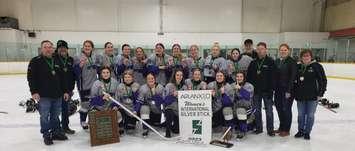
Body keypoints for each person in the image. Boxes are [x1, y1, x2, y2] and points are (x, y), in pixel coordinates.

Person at [27, 40, 69, 145]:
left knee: (55, 116)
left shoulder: (56, 60)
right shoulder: (35, 61)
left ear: (53, 48)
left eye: (50, 47)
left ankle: (55, 132)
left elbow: (62, 78)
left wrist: (65, 91)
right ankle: (46, 134)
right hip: (44, 95)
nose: (48, 49)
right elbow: (31, 78)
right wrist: (34, 91)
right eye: (45, 47)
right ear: (41, 49)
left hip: (57, 95)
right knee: (44, 116)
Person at [294, 49, 327, 140]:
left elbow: (323, 81)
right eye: (304, 56)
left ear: (311, 56)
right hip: (300, 96)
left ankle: (307, 132)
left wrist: (321, 93)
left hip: (313, 97)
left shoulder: (317, 66)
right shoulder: (298, 66)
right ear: (301, 57)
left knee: (310, 115)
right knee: (301, 115)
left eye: (307, 56)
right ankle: (300, 130)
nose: (306, 57)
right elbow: (294, 81)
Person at [246, 42, 276, 136]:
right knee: (257, 111)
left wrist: (271, 90)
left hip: (267, 92)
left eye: (262, 49)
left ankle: (270, 130)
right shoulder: (253, 62)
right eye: (258, 49)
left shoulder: (271, 62)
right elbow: (249, 77)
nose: (260, 51)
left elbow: (274, 77)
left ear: (266, 50)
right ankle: (259, 128)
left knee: (269, 112)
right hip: (256, 92)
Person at [73, 40, 100, 130]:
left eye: (89, 46)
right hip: (83, 85)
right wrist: (79, 66)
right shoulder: (77, 57)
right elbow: (74, 72)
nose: (87, 47)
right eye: (85, 46)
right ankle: (83, 121)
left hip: (94, 85)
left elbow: (98, 68)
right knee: (85, 105)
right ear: (83, 47)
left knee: (94, 103)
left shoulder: (95, 56)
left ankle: (91, 121)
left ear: (92, 48)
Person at [274, 44, 297, 137]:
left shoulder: (292, 62)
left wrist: (289, 90)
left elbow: (293, 77)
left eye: (285, 50)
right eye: (281, 50)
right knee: (279, 109)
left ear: (289, 51)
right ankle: (281, 127)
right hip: (278, 90)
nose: (283, 52)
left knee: (286, 109)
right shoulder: (277, 61)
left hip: (287, 90)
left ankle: (286, 129)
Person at [55, 40, 76, 134]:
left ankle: (65, 127)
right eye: (60, 48)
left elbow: (73, 74)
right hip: (57, 90)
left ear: (67, 49)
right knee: (55, 111)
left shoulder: (70, 60)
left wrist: (71, 88)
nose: (62, 50)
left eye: (64, 48)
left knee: (65, 110)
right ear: (57, 49)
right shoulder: (53, 58)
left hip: (68, 90)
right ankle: (55, 129)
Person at [136, 73, 165, 137]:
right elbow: (139, 101)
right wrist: (135, 110)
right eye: (148, 78)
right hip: (149, 109)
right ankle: (145, 128)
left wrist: (154, 94)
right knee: (144, 108)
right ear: (146, 80)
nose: (150, 80)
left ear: (155, 79)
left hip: (158, 110)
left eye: (152, 78)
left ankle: (162, 123)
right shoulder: (143, 88)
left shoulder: (160, 87)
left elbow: (162, 102)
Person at [116, 70, 140, 134]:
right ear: (123, 78)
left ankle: (129, 122)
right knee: (118, 112)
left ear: (132, 78)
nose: (127, 79)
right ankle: (120, 125)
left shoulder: (136, 85)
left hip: (132, 109)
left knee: (130, 130)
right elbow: (117, 99)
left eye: (129, 77)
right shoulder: (120, 86)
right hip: (123, 107)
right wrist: (117, 106)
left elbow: (138, 100)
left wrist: (136, 110)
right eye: (125, 77)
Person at [231, 71, 254, 139]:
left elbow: (248, 96)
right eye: (237, 76)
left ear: (244, 78)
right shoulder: (232, 85)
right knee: (228, 110)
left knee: (240, 110)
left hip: (246, 108)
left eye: (241, 76)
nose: (239, 78)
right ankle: (231, 128)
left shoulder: (249, 86)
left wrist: (240, 89)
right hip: (235, 107)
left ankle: (242, 130)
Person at [164, 69, 185, 138]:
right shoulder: (169, 85)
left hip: (179, 111)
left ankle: (171, 125)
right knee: (169, 111)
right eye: (177, 75)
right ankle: (167, 131)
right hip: (170, 108)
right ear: (174, 76)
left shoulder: (184, 87)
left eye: (181, 75)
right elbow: (165, 100)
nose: (179, 77)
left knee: (176, 130)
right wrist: (172, 95)